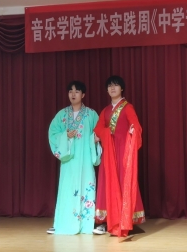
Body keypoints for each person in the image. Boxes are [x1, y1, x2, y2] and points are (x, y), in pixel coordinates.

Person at [93, 75, 145, 238]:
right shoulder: (105, 111)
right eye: (110, 86)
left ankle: (126, 220)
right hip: (109, 154)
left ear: (122, 88)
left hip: (123, 153)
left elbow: (136, 126)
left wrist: (133, 132)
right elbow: (98, 130)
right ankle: (108, 220)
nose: (112, 88)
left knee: (124, 182)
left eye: (115, 85)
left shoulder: (128, 108)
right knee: (108, 183)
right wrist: (104, 134)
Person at [48, 81, 101, 235]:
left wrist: (95, 139)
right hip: (69, 161)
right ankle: (61, 223)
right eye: (70, 91)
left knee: (86, 188)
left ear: (83, 95)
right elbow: (53, 133)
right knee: (67, 189)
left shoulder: (91, 114)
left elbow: (98, 132)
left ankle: (88, 224)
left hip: (85, 159)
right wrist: (65, 136)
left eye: (77, 91)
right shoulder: (62, 115)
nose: (73, 94)